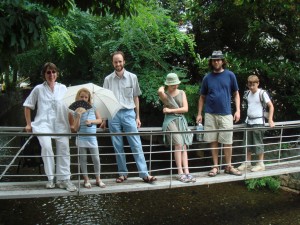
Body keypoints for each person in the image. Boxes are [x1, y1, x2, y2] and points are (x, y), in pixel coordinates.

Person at [101, 51, 157, 183]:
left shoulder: (133, 77)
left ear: (124, 62)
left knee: (136, 144)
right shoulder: (108, 80)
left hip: (128, 113)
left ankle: (144, 174)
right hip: (113, 114)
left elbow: (136, 97)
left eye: (120, 61)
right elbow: (105, 101)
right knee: (117, 146)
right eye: (115, 62)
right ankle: (122, 173)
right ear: (112, 63)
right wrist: (104, 119)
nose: (118, 64)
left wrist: (138, 117)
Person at [23, 62, 77, 192]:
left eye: (53, 72)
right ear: (44, 75)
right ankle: (51, 178)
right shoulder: (38, 89)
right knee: (47, 148)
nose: (51, 75)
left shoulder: (63, 88)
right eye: (48, 72)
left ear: (57, 74)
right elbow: (27, 105)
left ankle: (64, 180)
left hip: (61, 124)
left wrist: (71, 124)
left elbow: (69, 108)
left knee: (64, 150)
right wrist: (28, 124)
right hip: (43, 124)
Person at [196, 50, 242, 177]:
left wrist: (238, 110)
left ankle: (228, 166)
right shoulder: (207, 77)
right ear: (211, 62)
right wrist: (199, 114)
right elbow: (202, 97)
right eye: (214, 60)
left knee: (228, 141)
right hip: (210, 114)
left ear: (222, 61)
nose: (216, 62)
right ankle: (215, 166)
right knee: (213, 141)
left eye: (218, 59)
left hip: (226, 113)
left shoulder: (230, 75)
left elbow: (236, 94)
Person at [158, 73, 196, 183]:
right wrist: (164, 87)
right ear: (168, 85)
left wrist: (170, 110)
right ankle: (180, 172)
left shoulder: (182, 93)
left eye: (176, 83)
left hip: (180, 120)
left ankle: (187, 171)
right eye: (172, 84)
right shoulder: (165, 95)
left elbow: (185, 109)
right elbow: (160, 91)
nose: (175, 86)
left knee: (184, 144)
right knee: (178, 143)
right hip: (170, 121)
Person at [237, 75, 275, 172]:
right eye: (250, 85)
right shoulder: (248, 93)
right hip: (249, 121)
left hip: (258, 122)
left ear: (258, 83)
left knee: (258, 142)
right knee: (247, 142)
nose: (251, 87)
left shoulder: (262, 93)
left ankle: (260, 163)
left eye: (253, 85)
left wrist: (270, 119)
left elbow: (271, 106)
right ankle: (247, 162)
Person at [72, 88, 106, 188]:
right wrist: (78, 116)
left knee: (96, 158)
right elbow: (75, 128)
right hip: (81, 137)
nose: (83, 98)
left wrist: (91, 121)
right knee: (83, 159)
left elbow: (99, 120)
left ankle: (98, 179)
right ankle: (86, 180)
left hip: (92, 138)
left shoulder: (93, 107)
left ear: (89, 98)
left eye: (86, 97)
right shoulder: (76, 110)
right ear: (78, 97)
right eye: (81, 96)